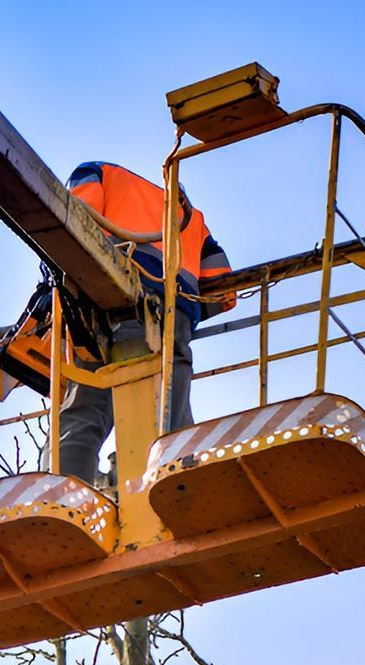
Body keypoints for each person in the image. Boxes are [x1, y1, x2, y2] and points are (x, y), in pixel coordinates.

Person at [54, 161, 235, 485]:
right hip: (174, 309)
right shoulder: (190, 216)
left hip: (110, 297)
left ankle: (64, 493)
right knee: (170, 404)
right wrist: (183, 310)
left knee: (86, 409)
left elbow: (73, 223)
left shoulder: (95, 172)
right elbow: (223, 287)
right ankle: (179, 480)